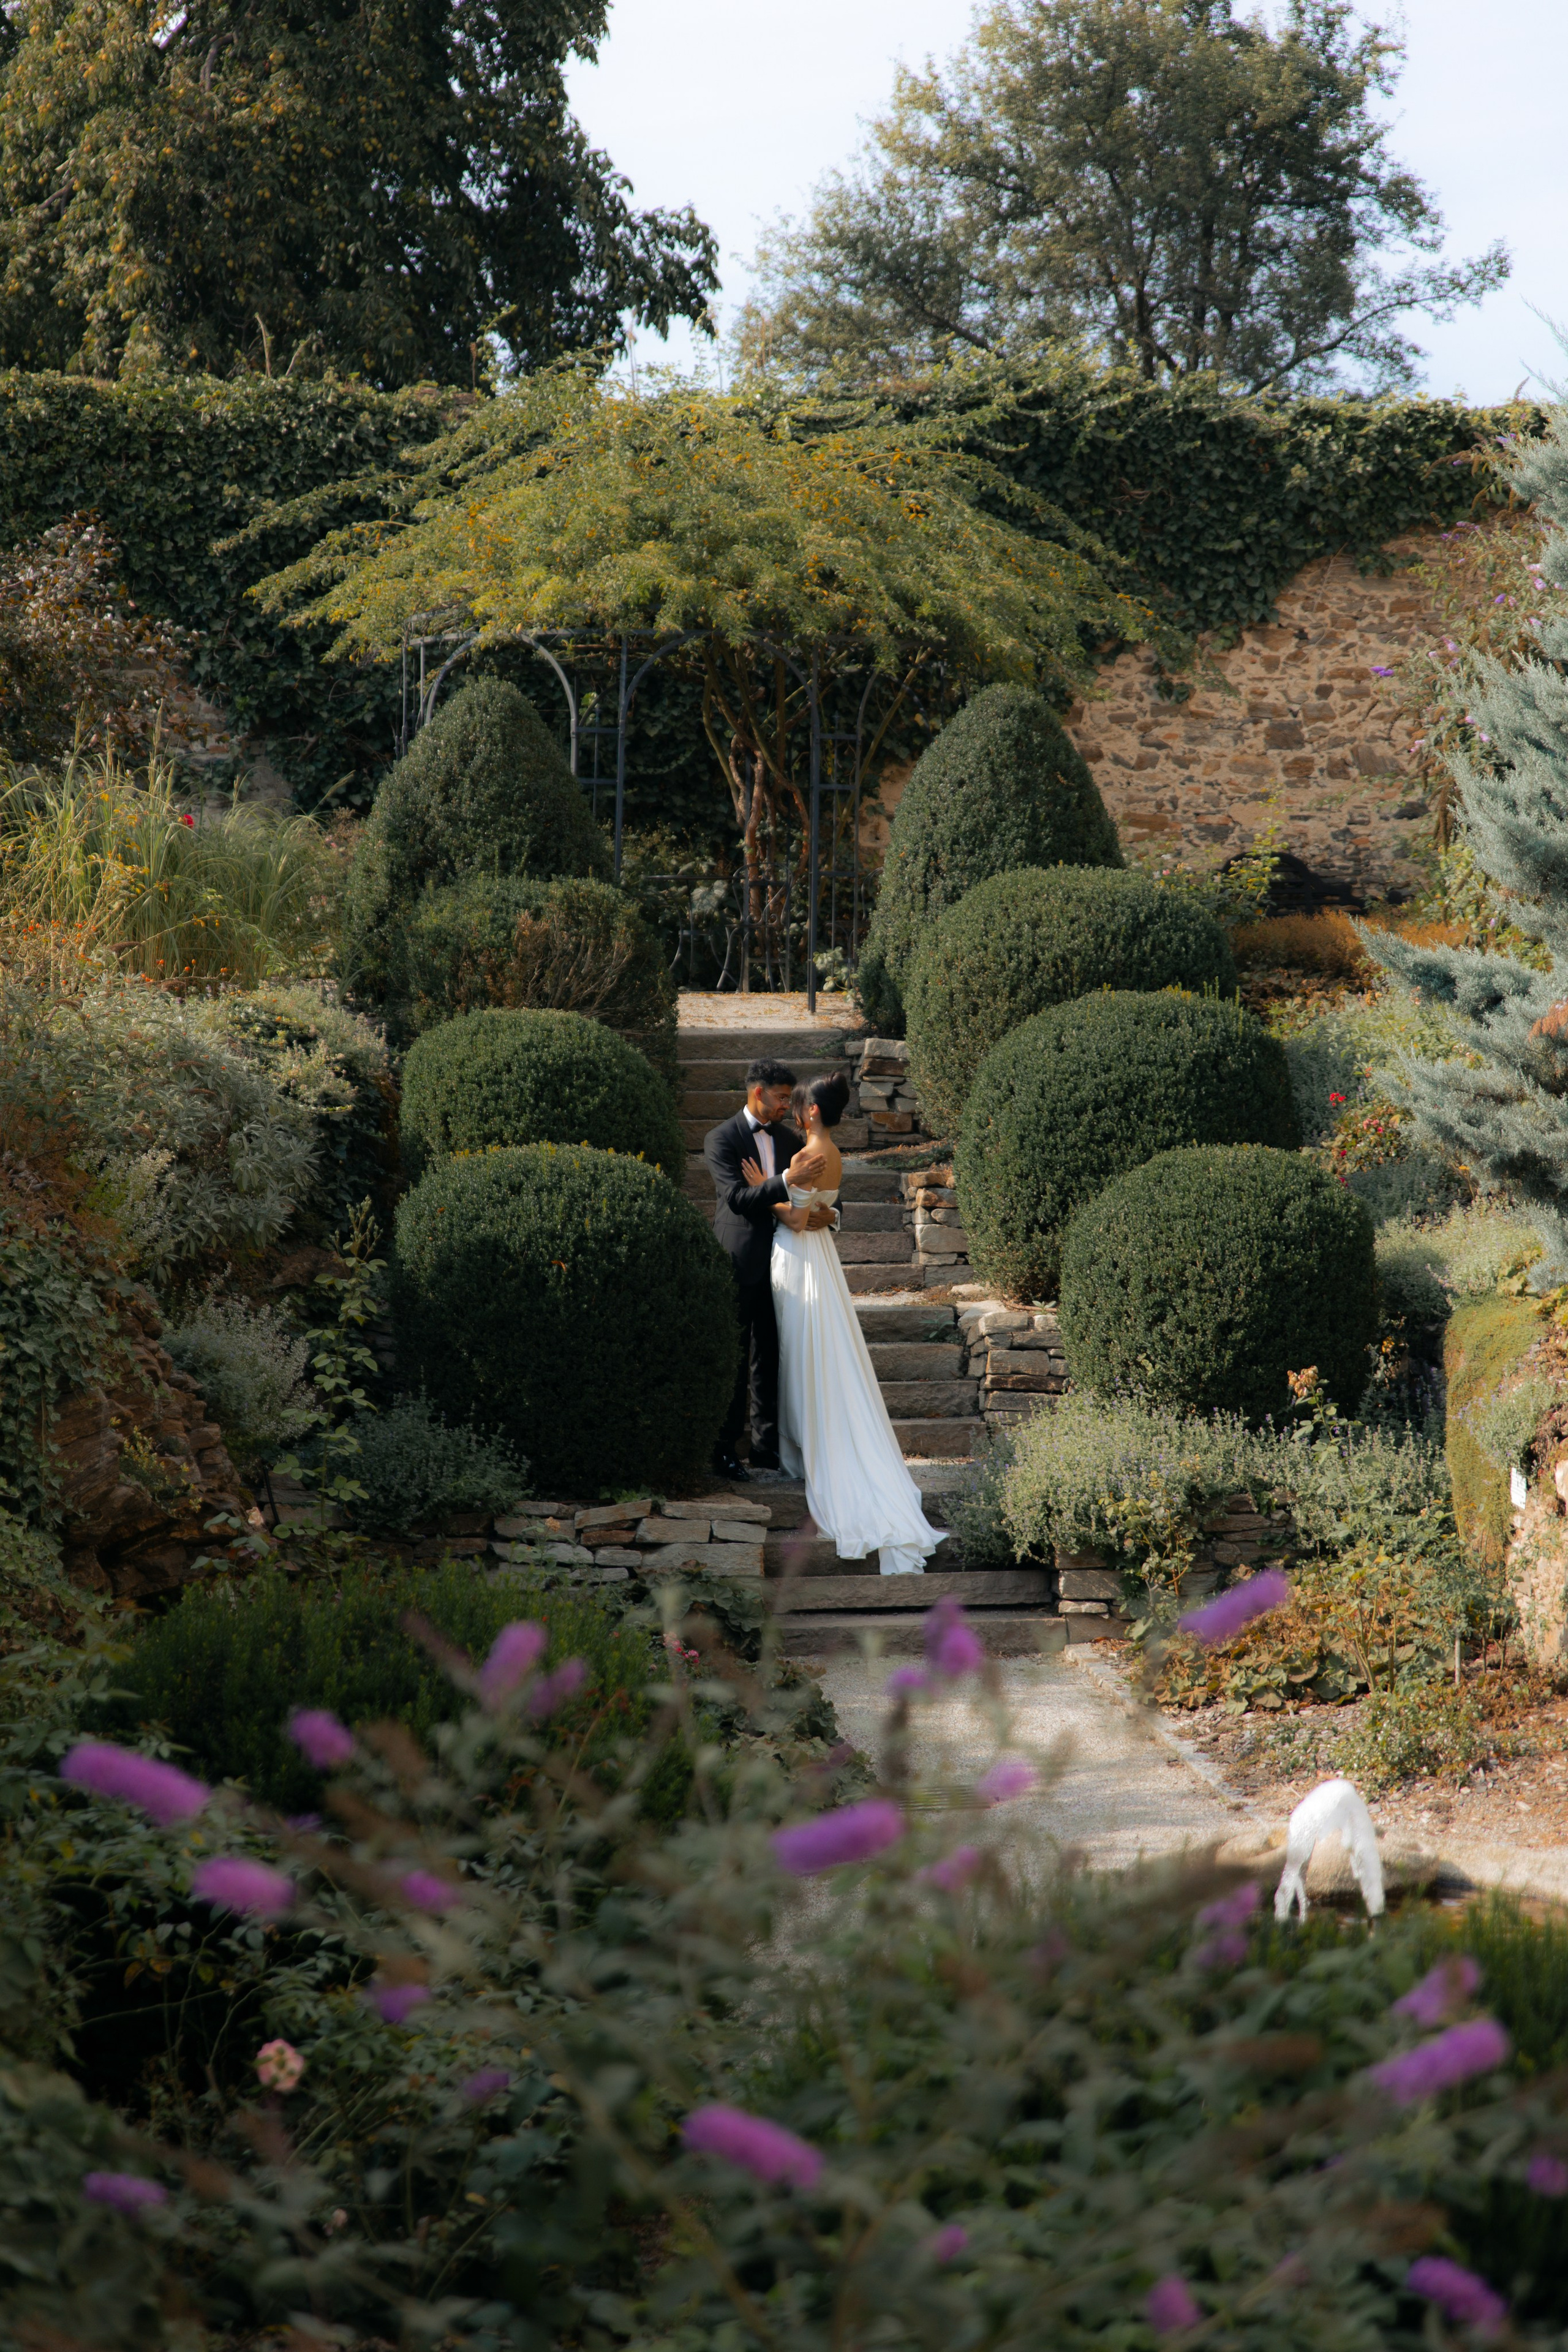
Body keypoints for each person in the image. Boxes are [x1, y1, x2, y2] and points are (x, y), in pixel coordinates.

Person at [743, 1071, 940, 1577]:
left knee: (801, 1348)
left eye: (799, 1104)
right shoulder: (832, 1153)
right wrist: (817, 1214)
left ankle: (806, 1446)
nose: (791, 1109)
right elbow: (824, 1213)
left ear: (811, 1112)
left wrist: (761, 1190)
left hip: (799, 1253)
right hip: (819, 1253)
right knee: (813, 1347)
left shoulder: (808, 1155)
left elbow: (796, 1217)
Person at [703, 1057, 837, 1479]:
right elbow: (737, 1200)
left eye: (789, 1099)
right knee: (736, 1357)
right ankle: (724, 1451)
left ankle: (766, 1449)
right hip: (739, 1260)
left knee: (773, 1359)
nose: (786, 1106)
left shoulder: (788, 1138)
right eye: (781, 1097)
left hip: (785, 1265)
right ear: (757, 1092)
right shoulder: (720, 1138)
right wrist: (783, 1180)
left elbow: (820, 1192)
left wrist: (831, 1215)